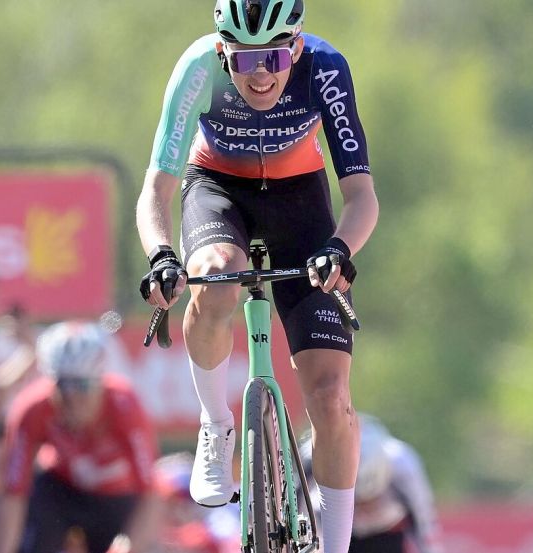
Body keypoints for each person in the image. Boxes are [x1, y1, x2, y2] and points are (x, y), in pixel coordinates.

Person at [135, 0, 379, 551]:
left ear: (295, 47)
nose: (262, 73)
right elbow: (156, 191)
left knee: (331, 397)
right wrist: (162, 257)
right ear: (223, 53)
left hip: (301, 202)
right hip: (219, 190)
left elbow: (361, 195)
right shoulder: (198, 69)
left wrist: (340, 248)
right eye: (245, 61)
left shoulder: (326, 68)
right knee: (218, 275)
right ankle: (216, 423)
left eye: (274, 56)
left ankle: (337, 544)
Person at [0, 321, 160, 553]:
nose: (73, 398)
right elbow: (14, 494)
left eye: (83, 385)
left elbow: (151, 492)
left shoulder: (125, 406)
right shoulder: (32, 408)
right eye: (64, 386)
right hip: (62, 489)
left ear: (100, 382)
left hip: (117, 497)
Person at [301, 415, 443, 553]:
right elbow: (302, 517)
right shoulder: (312, 458)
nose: (364, 509)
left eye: (370, 499)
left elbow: (424, 520)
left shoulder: (403, 465)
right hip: (339, 530)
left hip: (388, 533)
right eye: (358, 502)